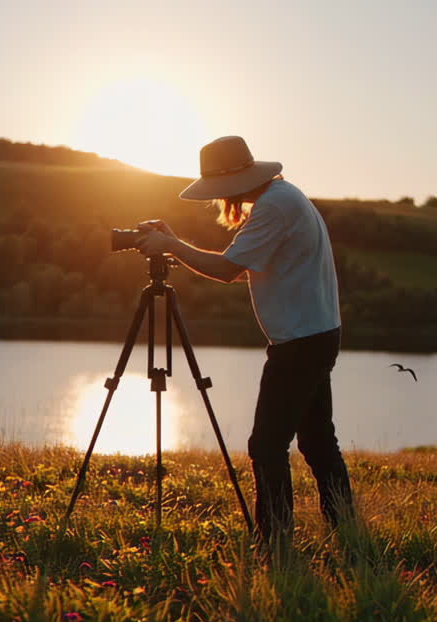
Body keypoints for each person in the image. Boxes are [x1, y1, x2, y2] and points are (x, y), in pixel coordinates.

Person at [135, 135, 354, 548]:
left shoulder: (273, 206)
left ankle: (274, 542)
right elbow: (234, 267)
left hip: (300, 342)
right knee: (316, 439)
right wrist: (175, 242)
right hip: (317, 333)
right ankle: (346, 528)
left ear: (235, 181)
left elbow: (225, 270)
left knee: (266, 445)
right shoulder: (283, 196)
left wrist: (171, 246)